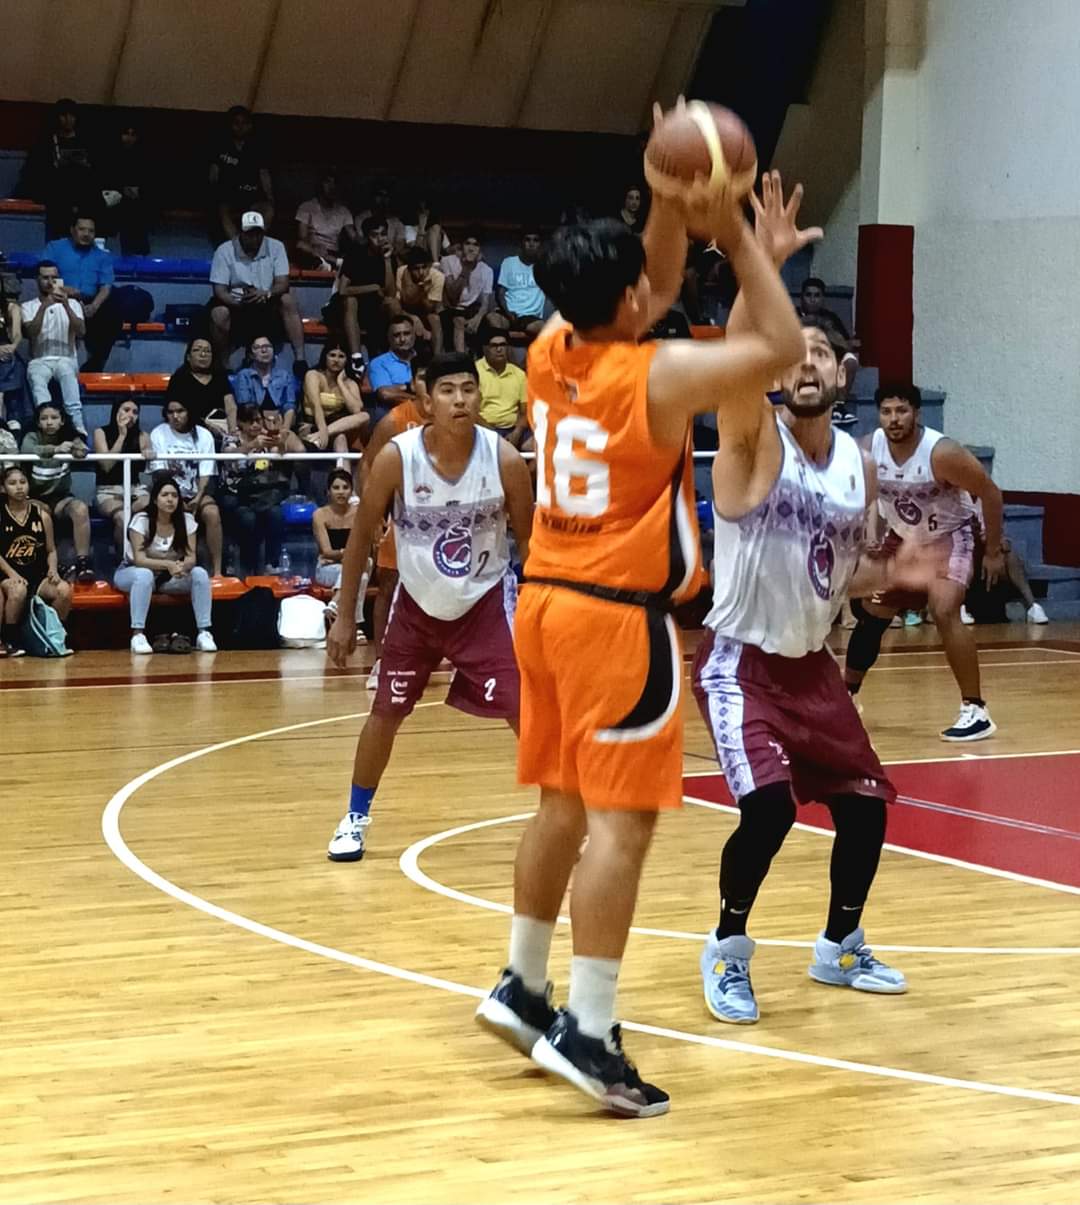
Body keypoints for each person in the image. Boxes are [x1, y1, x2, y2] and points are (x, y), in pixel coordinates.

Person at [473, 161, 806, 1117]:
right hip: (618, 620)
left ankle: (524, 983)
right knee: (623, 827)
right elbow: (780, 344)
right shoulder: (652, 375)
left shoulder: (547, 351)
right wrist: (741, 239)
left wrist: (667, 193)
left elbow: (650, 283)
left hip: (540, 602)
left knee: (561, 805)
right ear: (628, 299)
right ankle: (589, 1026)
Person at [325, 353, 534, 862]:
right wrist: (347, 613)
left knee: (528, 711)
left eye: (468, 389)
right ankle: (354, 817)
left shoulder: (504, 459)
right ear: (426, 401)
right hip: (416, 607)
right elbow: (360, 542)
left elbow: (533, 549)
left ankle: (564, 816)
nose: (460, 399)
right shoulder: (399, 457)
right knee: (385, 713)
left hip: (485, 604)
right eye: (447, 390)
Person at [844, 383, 1004, 741]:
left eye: (901, 411)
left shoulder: (942, 453)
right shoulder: (869, 449)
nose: (894, 419)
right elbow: (854, 495)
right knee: (873, 613)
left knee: (944, 608)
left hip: (952, 534)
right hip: (905, 536)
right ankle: (846, 698)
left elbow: (991, 494)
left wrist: (993, 551)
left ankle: (975, 709)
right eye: (886, 412)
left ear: (917, 414)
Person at [356, 383, 427, 690]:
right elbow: (367, 464)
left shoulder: (459, 416)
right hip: (405, 515)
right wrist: (372, 515)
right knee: (387, 585)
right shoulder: (395, 420)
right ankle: (382, 661)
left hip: (449, 516)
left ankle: (461, 662)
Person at [115, 474, 216, 654]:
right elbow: (140, 560)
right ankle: (138, 635)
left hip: (169, 577)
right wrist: (168, 564)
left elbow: (191, 558)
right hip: (133, 572)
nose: (170, 499)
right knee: (144, 575)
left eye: (174, 495)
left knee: (199, 573)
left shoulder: (187, 521)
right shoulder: (141, 521)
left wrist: (182, 567)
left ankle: (204, 633)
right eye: (165, 495)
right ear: (155, 499)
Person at [208, 211, 306, 373]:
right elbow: (219, 291)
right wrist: (239, 303)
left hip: (267, 299)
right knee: (219, 313)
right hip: (236, 301)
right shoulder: (224, 250)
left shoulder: (276, 247)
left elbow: (283, 283)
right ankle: (223, 364)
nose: (255, 238)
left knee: (288, 300)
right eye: (250, 234)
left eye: (258, 233)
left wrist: (266, 293)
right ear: (241, 233)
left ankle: (300, 359)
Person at [0, 464, 72, 657]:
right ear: (3, 488)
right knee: (18, 590)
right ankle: (11, 640)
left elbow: (51, 550)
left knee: (64, 590)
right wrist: (12, 574)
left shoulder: (41, 515)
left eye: (23, 482)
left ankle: (54, 635)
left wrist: (53, 569)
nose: (19, 487)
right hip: (8, 574)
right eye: (13, 483)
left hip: (37, 575)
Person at [20, 402, 94, 581]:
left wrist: (77, 446)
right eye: (44, 419)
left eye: (54, 418)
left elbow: (84, 450)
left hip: (61, 498)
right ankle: (50, 564)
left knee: (80, 509)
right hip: (35, 497)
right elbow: (26, 450)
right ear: (38, 423)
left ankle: (83, 563)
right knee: (41, 513)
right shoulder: (32, 436)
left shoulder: (68, 435)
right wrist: (55, 450)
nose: (49, 422)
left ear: (62, 421)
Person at [149, 398, 223, 577]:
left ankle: (218, 572)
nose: (175, 416)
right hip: (168, 493)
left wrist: (198, 497)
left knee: (212, 512)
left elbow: (206, 471)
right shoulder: (159, 433)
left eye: (180, 411)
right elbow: (159, 473)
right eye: (170, 412)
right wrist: (176, 499)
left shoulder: (204, 435)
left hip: (195, 492)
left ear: (189, 412)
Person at [42, 212, 122, 373]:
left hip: (90, 300)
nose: (86, 234)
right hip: (62, 297)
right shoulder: (55, 248)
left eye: (91, 231)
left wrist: (94, 305)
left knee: (114, 312)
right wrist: (63, 289)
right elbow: (45, 275)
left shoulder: (102, 256)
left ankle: (96, 363)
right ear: (72, 230)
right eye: (82, 229)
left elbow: (106, 285)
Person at [218, 404, 290, 576]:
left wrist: (280, 444)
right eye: (250, 421)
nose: (256, 425)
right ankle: (249, 566)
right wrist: (251, 446)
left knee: (277, 514)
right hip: (236, 494)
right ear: (241, 423)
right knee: (248, 519)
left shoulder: (264, 437)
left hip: (261, 494)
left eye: (258, 420)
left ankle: (271, 563)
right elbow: (229, 456)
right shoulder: (231, 438)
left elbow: (278, 455)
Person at [21, 260, 86, 436]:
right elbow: (31, 333)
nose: (50, 282)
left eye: (54, 277)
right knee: (37, 381)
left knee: (66, 374)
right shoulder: (28, 306)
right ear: (37, 280)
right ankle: (46, 430)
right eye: (45, 278)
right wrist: (44, 306)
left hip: (66, 358)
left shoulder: (73, 304)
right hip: (39, 359)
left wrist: (65, 304)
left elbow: (81, 332)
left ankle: (78, 431)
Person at [21, 99, 99, 238]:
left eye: (72, 116)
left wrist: (86, 165)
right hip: (56, 195)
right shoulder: (47, 142)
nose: (68, 120)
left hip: (82, 193)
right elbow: (33, 172)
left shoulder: (87, 141)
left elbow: (97, 171)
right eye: (64, 115)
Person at [325, 217, 396, 369]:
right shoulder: (355, 255)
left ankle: (395, 354)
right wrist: (373, 287)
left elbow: (390, 293)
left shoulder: (389, 256)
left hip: (371, 308)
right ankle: (356, 357)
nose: (380, 239)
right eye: (374, 235)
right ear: (366, 237)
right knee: (351, 301)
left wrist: (388, 261)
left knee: (392, 304)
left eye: (383, 234)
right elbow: (343, 290)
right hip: (345, 307)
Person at [208, 105, 274, 242]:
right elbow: (213, 173)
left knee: (268, 210)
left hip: (252, 195)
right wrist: (213, 192)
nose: (240, 127)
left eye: (244, 123)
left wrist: (269, 196)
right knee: (223, 210)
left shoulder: (258, 147)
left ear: (250, 126)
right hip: (228, 195)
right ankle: (238, 245)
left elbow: (264, 173)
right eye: (236, 123)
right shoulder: (220, 145)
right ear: (230, 125)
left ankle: (254, 243)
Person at [93, 396, 151, 550]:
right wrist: (122, 435)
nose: (130, 415)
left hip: (135, 489)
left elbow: (148, 467)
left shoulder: (143, 436)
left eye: (135, 412)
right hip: (108, 490)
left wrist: (149, 453)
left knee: (153, 507)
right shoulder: (101, 432)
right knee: (123, 517)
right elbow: (106, 465)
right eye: (126, 410)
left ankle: (148, 557)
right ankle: (124, 559)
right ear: (116, 412)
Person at [300, 341, 369, 456]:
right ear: (325, 357)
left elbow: (356, 410)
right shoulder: (313, 375)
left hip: (335, 427)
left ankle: (344, 473)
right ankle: (317, 436)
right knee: (340, 436)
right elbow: (316, 405)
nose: (336, 360)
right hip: (314, 424)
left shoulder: (350, 383)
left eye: (341, 356)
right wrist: (322, 431)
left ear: (347, 360)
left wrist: (340, 382)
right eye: (332, 355)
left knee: (364, 416)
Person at [313, 468, 362, 624]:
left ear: (352, 491)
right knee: (359, 571)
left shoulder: (359, 513)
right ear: (328, 491)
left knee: (362, 570)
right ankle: (357, 624)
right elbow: (326, 551)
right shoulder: (320, 515)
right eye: (336, 488)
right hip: (327, 569)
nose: (341, 492)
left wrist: (342, 555)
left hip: (355, 566)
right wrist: (348, 554)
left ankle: (335, 603)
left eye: (345, 487)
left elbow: (366, 548)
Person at [99, 119, 153, 256]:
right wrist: (122, 189)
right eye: (126, 134)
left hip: (138, 210)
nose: (129, 138)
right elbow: (105, 180)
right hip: (115, 208)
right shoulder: (110, 156)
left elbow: (152, 183)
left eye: (133, 134)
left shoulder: (146, 157)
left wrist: (140, 192)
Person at [165, 337, 237, 433]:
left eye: (207, 351)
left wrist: (232, 432)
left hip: (221, 428)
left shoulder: (220, 377)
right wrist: (206, 427)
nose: (203, 354)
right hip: (189, 429)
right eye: (197, 350)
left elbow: (230, 405)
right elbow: (176, 410)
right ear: (188, 357)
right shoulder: (179, 379)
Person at [230, 334, 298, 432]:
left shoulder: (284, 375)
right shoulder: (244, 375)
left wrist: (284, 430)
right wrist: (264, 431)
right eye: (257, 347)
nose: (264, 350)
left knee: (299, 447)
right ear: (251, 355)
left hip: (280, 425)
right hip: (253, 427)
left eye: (268, 346)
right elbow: (247, 408)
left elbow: (289, 406)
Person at [441, 231, 494, 352]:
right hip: (451, 308)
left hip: (471, 309)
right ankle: (462, 362)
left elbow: (485, 302)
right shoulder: (448, 261)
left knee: (491, 322)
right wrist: (466, 269)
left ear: (480, 249)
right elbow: (452, 296)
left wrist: (478, 317)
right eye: (467, 244)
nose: (471, 248)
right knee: (459, 320)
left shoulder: (486, 270)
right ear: (461, 246)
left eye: (475, 245)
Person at [475, 327, 527, 445]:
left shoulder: (519, 374)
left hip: (513, 429)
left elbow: (526, 411)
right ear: (485, 349)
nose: (499, 349)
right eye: (494, 345)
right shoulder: (474, 372)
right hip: (483, 428)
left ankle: (520, 464)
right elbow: (471, 411)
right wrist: (494, 435)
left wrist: (517, 432)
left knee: (539, 445)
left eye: (503, 345)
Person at [490, 228, 546, 338]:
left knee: (544, 329)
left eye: (535, 240)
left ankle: (512, 335)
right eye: (528, 240)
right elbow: (500, 293)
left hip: (530, 318)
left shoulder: (544, 266)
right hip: (508, 314)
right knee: (491, 319)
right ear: (521, 243)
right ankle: (517, 335)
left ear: (540, 245)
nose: (531, 244)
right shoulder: (509, 262)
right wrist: (509, 313)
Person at [295, 171, 356, 269]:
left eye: (335, 183)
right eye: (328, 182)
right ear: (320, 185)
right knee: (300, 245)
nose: (332, 186)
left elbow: (354, 237)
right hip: (312, 251)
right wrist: (314, 248)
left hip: (334, 252)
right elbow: (302, 238)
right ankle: (330, 263)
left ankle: (329, 263)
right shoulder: (306, 207)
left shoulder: (344, 211)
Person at [367, 317, 418, 425]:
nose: (402, 339)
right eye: (396, 335)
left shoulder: (426, 359)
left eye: (407, 333)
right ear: (389, 339)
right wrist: (410, 388)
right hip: (393, 413)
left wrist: (398, 388)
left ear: (414, 335)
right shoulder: (379, 363)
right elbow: (385, 394)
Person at [394, 247, 445, 355]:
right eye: (416, 269)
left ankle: (437, 359)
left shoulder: (438, 277)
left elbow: (430, 307)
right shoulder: (401, 272)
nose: (421, 272)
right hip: (405, 309)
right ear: (410, 268)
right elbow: (399, 303)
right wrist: (414, 318)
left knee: (435, 319)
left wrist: (421, 292)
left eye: (424, 267)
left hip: (425, 310)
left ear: (429, 265)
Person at [0, 273, 26, 435]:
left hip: (5, 353)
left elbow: (17, 334)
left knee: (10, 361)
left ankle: (13, 422)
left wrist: (13, 346)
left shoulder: (11, 308)